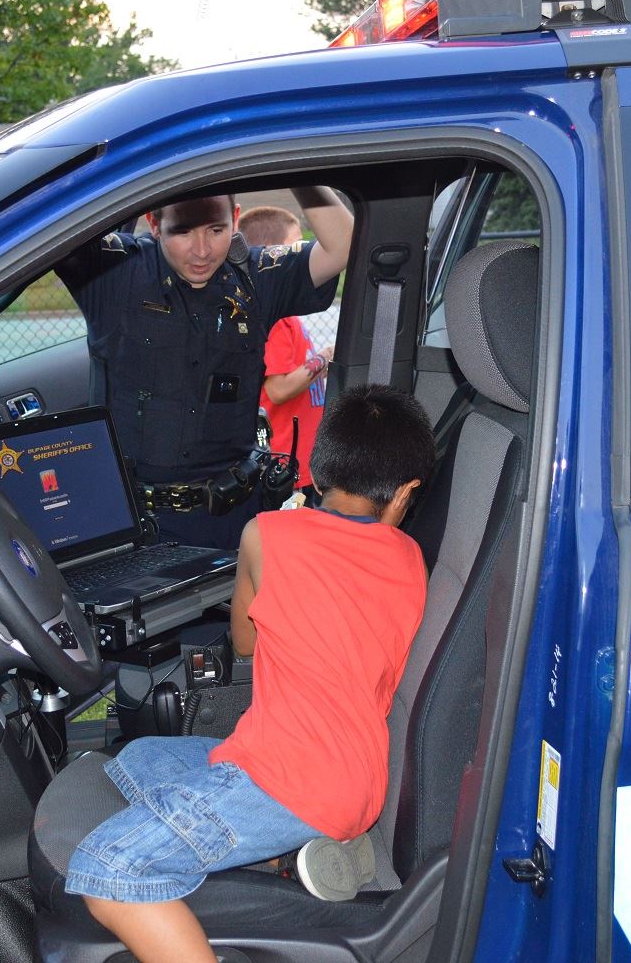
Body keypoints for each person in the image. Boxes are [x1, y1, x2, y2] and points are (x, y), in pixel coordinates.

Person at [65, 385, 436, 963]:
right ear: (405, 494)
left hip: (291, 783)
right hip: (352, 776)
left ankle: (265, 843)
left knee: (106, 866)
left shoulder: (267, 534)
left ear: (315, 468)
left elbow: (244, 642)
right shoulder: (410, 558)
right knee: (139, 759)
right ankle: (291, 856)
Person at [55, 188, 353, 548]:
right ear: (153, 224)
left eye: (216, 229)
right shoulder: (115, 273)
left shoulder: (254, 276)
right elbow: (58, 218)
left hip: (231, 519)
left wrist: (299, 170)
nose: (202, 250)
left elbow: (342, 246)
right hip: (133, 525)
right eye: (183, 231)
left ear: (236, 219)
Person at [239, 206, 333, 504]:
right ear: (271, 255)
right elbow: (277, 389)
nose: (303, 253)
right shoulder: (277, 321)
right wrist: (322, 360)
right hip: (285, 467)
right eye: (295, 246)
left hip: (302, 465)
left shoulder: (290, 316)